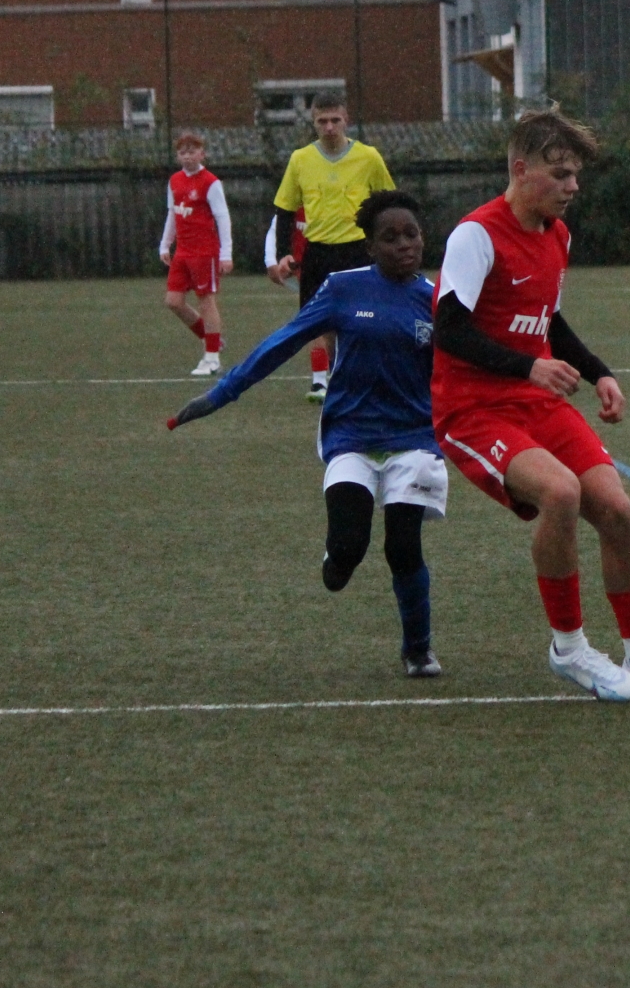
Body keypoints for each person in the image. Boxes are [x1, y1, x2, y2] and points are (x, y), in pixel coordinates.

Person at [433, 108, 630, 702]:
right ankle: (569, 648)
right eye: (560, 174)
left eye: (576, 174)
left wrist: (599, 371)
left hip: (535, 401)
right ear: (520, 169)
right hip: (473, 410)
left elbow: (549, 322)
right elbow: (448, 331)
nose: (573, 186)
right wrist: (528, 366)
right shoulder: (475, 235)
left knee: (617, 509)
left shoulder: (557, 235)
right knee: (560, 493)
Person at [168, 190, 448, 677]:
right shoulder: (343, 288)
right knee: (347, 554)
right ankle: (337, 556)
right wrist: (222, 393)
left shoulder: (438, 301)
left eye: (412, 234)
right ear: (370, 247)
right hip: (350, 437)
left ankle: (418, 649)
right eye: (390, 237)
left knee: (403, 546)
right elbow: (283, 342)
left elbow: (468, 368)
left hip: (414, 438)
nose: (404, 244)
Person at [269, 87, 396, 402]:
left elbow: (388, 203)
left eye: (334, 120)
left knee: (362, 320)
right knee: (317, 321)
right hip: (318, 252)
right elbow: (285, 209)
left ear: (346, 120)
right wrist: (283, 253)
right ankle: (321, 382)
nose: (329, 127)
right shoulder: (301, 159)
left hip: (357, 252)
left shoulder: (368, 157)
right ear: (313, 121)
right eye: (322, 121)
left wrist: (389, 245)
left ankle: (360, 378)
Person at [158, 131, 233, 376]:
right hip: (183, 251)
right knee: (173, 301)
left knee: (206, 300)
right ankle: (212, 340)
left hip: (204, 252)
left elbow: (223, 218)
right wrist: (165, 244)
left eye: (192, 151)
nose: (187, 156)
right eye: (182, 152)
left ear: (202, 154)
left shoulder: (210, 182)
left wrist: (226, 253)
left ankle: (212, 358)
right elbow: (172, 213)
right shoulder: (174, 181)